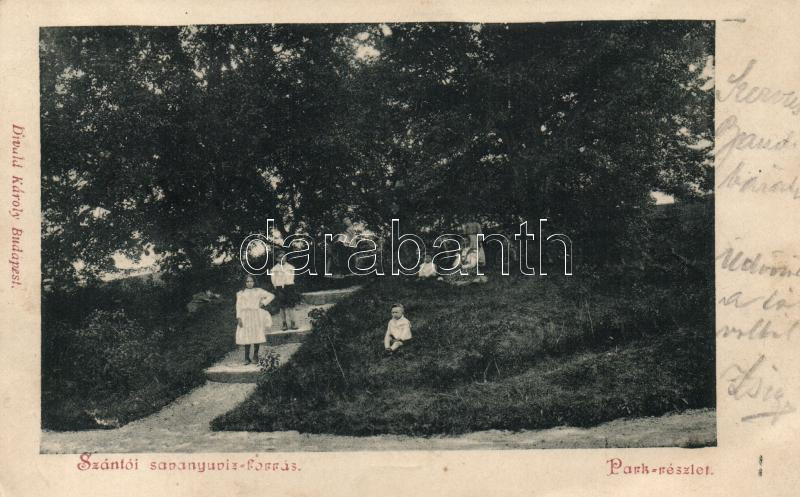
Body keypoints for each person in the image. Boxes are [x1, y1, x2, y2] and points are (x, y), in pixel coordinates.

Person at [235, 275, 274, 365]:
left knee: (256, 334)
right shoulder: (241, 293)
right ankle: (246, 357)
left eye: (251, 281)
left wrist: (263, 303)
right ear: (244, 283)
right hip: (245, 316)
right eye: (247, 281)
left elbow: (271, 296)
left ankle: (255, 356)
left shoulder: (258, 291)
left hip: (256, 315)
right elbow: (238, 306)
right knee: (246, 335)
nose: (249, 283)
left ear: (254, 282)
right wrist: (239, 317)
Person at [271, 248, 301, 330]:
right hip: (279, 288)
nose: (282, 259)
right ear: (276, 259)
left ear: (286, 257)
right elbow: (273, 280)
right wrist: (277, 287)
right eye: (280, 257)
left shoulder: (290, 267)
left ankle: (293, 322)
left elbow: (292, 278)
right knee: (282, 307)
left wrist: (289, 285)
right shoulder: (274, 269)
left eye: (283, 257)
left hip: (289, 287)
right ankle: (284, 323)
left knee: (291, 306)